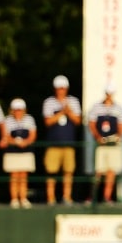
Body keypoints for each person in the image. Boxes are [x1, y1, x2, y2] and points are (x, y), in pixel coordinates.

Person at [41, 75, 82, 205]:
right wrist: (62, 112)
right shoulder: (49, 102)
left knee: (68, 171)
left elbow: (77, 121)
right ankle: (51, 198)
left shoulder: (74, 102)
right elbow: (48, 121)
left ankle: (67, 197)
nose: (61, 91)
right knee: (51, 171)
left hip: (68, 143)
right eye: (59, 88)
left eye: (63, 88)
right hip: (53, 143)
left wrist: (69, 112)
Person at [86, 83, 122, 205]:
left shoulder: (118, 108)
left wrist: (118, 136)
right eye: (108, 93)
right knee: (98, 171)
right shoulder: (96, 107)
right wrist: (97, 137)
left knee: (111, 171)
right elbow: (91, 124)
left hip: (113, 144)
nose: (109, 96)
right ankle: (93, 197)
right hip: (101, 144)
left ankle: (107, 197)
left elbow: (121, 126)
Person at [0, 98, 37, 207]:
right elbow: (5, 135)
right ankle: (14, 199)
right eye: (16, 110)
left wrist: (25, 142)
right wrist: (16, 141)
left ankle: (23, 198)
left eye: (20, 109)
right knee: (14, 175)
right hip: (12, 152)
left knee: (23, 176)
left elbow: (33, 135)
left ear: (24, 110)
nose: (18, 112)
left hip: (25, 151)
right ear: (12, 110)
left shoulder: (29, 119)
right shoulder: (7, 120)